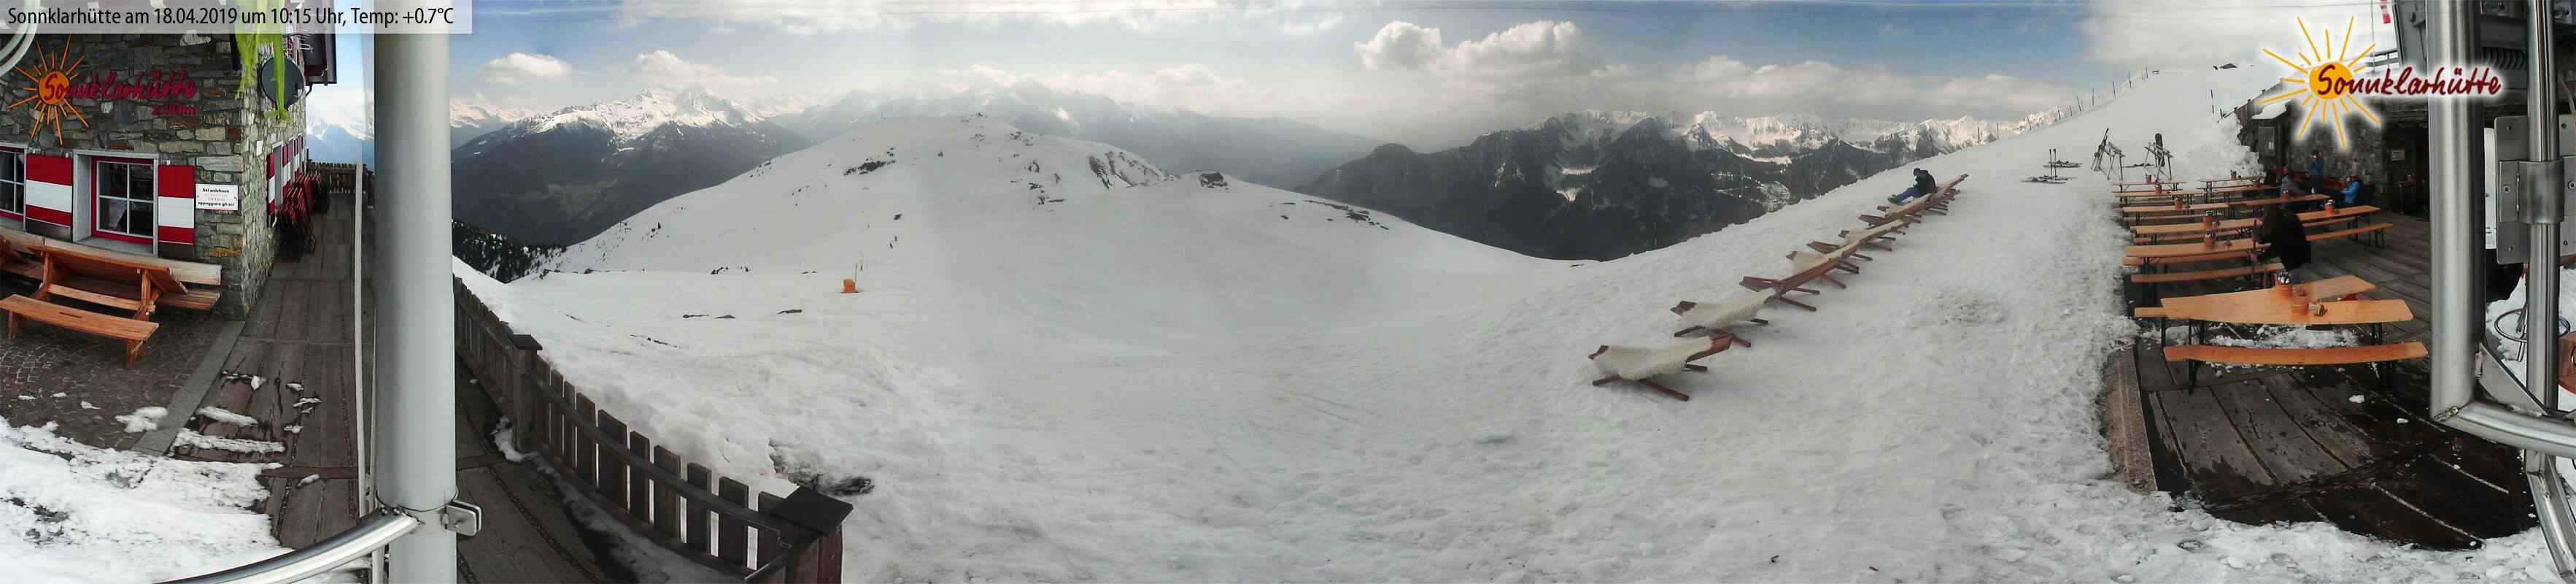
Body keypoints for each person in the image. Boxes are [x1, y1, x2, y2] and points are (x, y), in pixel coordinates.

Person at [2255, 202, 2312, 283]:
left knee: (2292, 284)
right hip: (2302, 253)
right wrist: (2261, 239)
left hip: (2293, 260)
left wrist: (2259, 257)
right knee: (2297, 280)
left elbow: (2275, 248)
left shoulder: (2281, 226)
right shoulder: (2287, 216)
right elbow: (2275, 236)